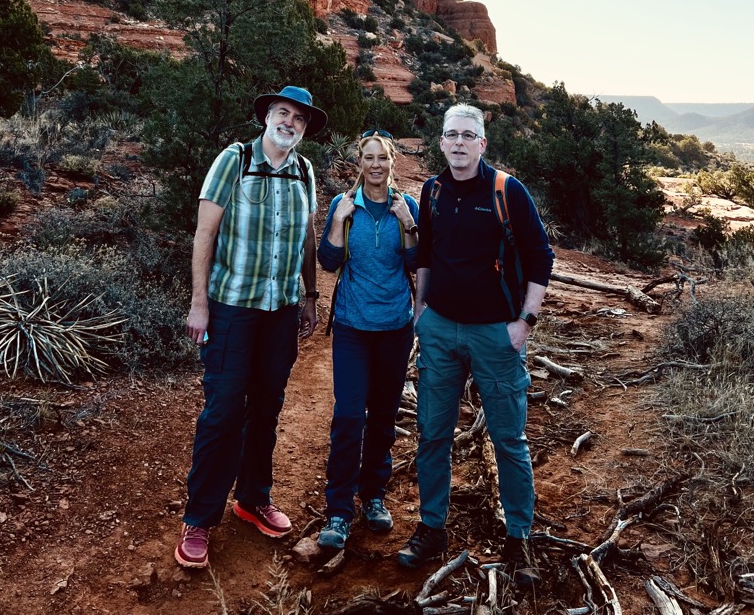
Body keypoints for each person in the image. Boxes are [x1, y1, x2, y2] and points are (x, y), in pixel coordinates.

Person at [398, 104, 554, 588]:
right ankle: (431, 528)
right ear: (441, 142)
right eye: (451, 135)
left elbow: (541, 257)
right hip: (441, 330)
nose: (460, 143)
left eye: (469, 135)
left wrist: (524, 322)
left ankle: (520, 537)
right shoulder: (433, 190)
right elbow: (425, 255)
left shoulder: (508, 190)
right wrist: (421, 313)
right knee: (432, 433)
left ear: (482, 144)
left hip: (496, 334)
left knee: (508, 438)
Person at [174, 85, 327, 571]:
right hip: (232, 308)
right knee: (222, 411)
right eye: (283, 113)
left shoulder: (304, 171)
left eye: (299, 119)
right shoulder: (233, 160)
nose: (290, 123)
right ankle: (199, 518)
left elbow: (306, 238)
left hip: (281, 310)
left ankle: (252, 498)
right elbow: (205, 233)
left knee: (266, 406)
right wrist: (199, 304)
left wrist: (309, 296)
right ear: (267, 117)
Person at [316, 130, 420, 550]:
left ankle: (373, 496)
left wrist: (409, 225)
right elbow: (327, 262)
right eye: (368, 158)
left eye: (382, 158)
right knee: (348, 418)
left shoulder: (405, 205)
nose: (375, 165)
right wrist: (339, 221)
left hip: (395, 327)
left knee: (382, 416)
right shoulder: (345, 206)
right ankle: (338, 510)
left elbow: (414, 261)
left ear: (392, 162)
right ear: (359, 162)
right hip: (353, 327)